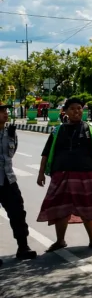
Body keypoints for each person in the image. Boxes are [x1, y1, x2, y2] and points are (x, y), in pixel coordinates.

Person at [37, 97, 92, 252]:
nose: (77, 111)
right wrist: (41, 173)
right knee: (60, 207)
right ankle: (60, 241)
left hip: (86, 173)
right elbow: (45, 153)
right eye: (73, 109)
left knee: (88, 205)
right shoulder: (57, 131)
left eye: (79, 108)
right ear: (65, 112)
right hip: (60, 173)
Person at [0, 105, 37, 265]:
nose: (5, 114)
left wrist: (10, 135)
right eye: (2, 112)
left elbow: (11, 154)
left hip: (9, 180)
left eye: (6, 111)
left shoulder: (11, 132)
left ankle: (23, 247)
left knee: (18, 214)